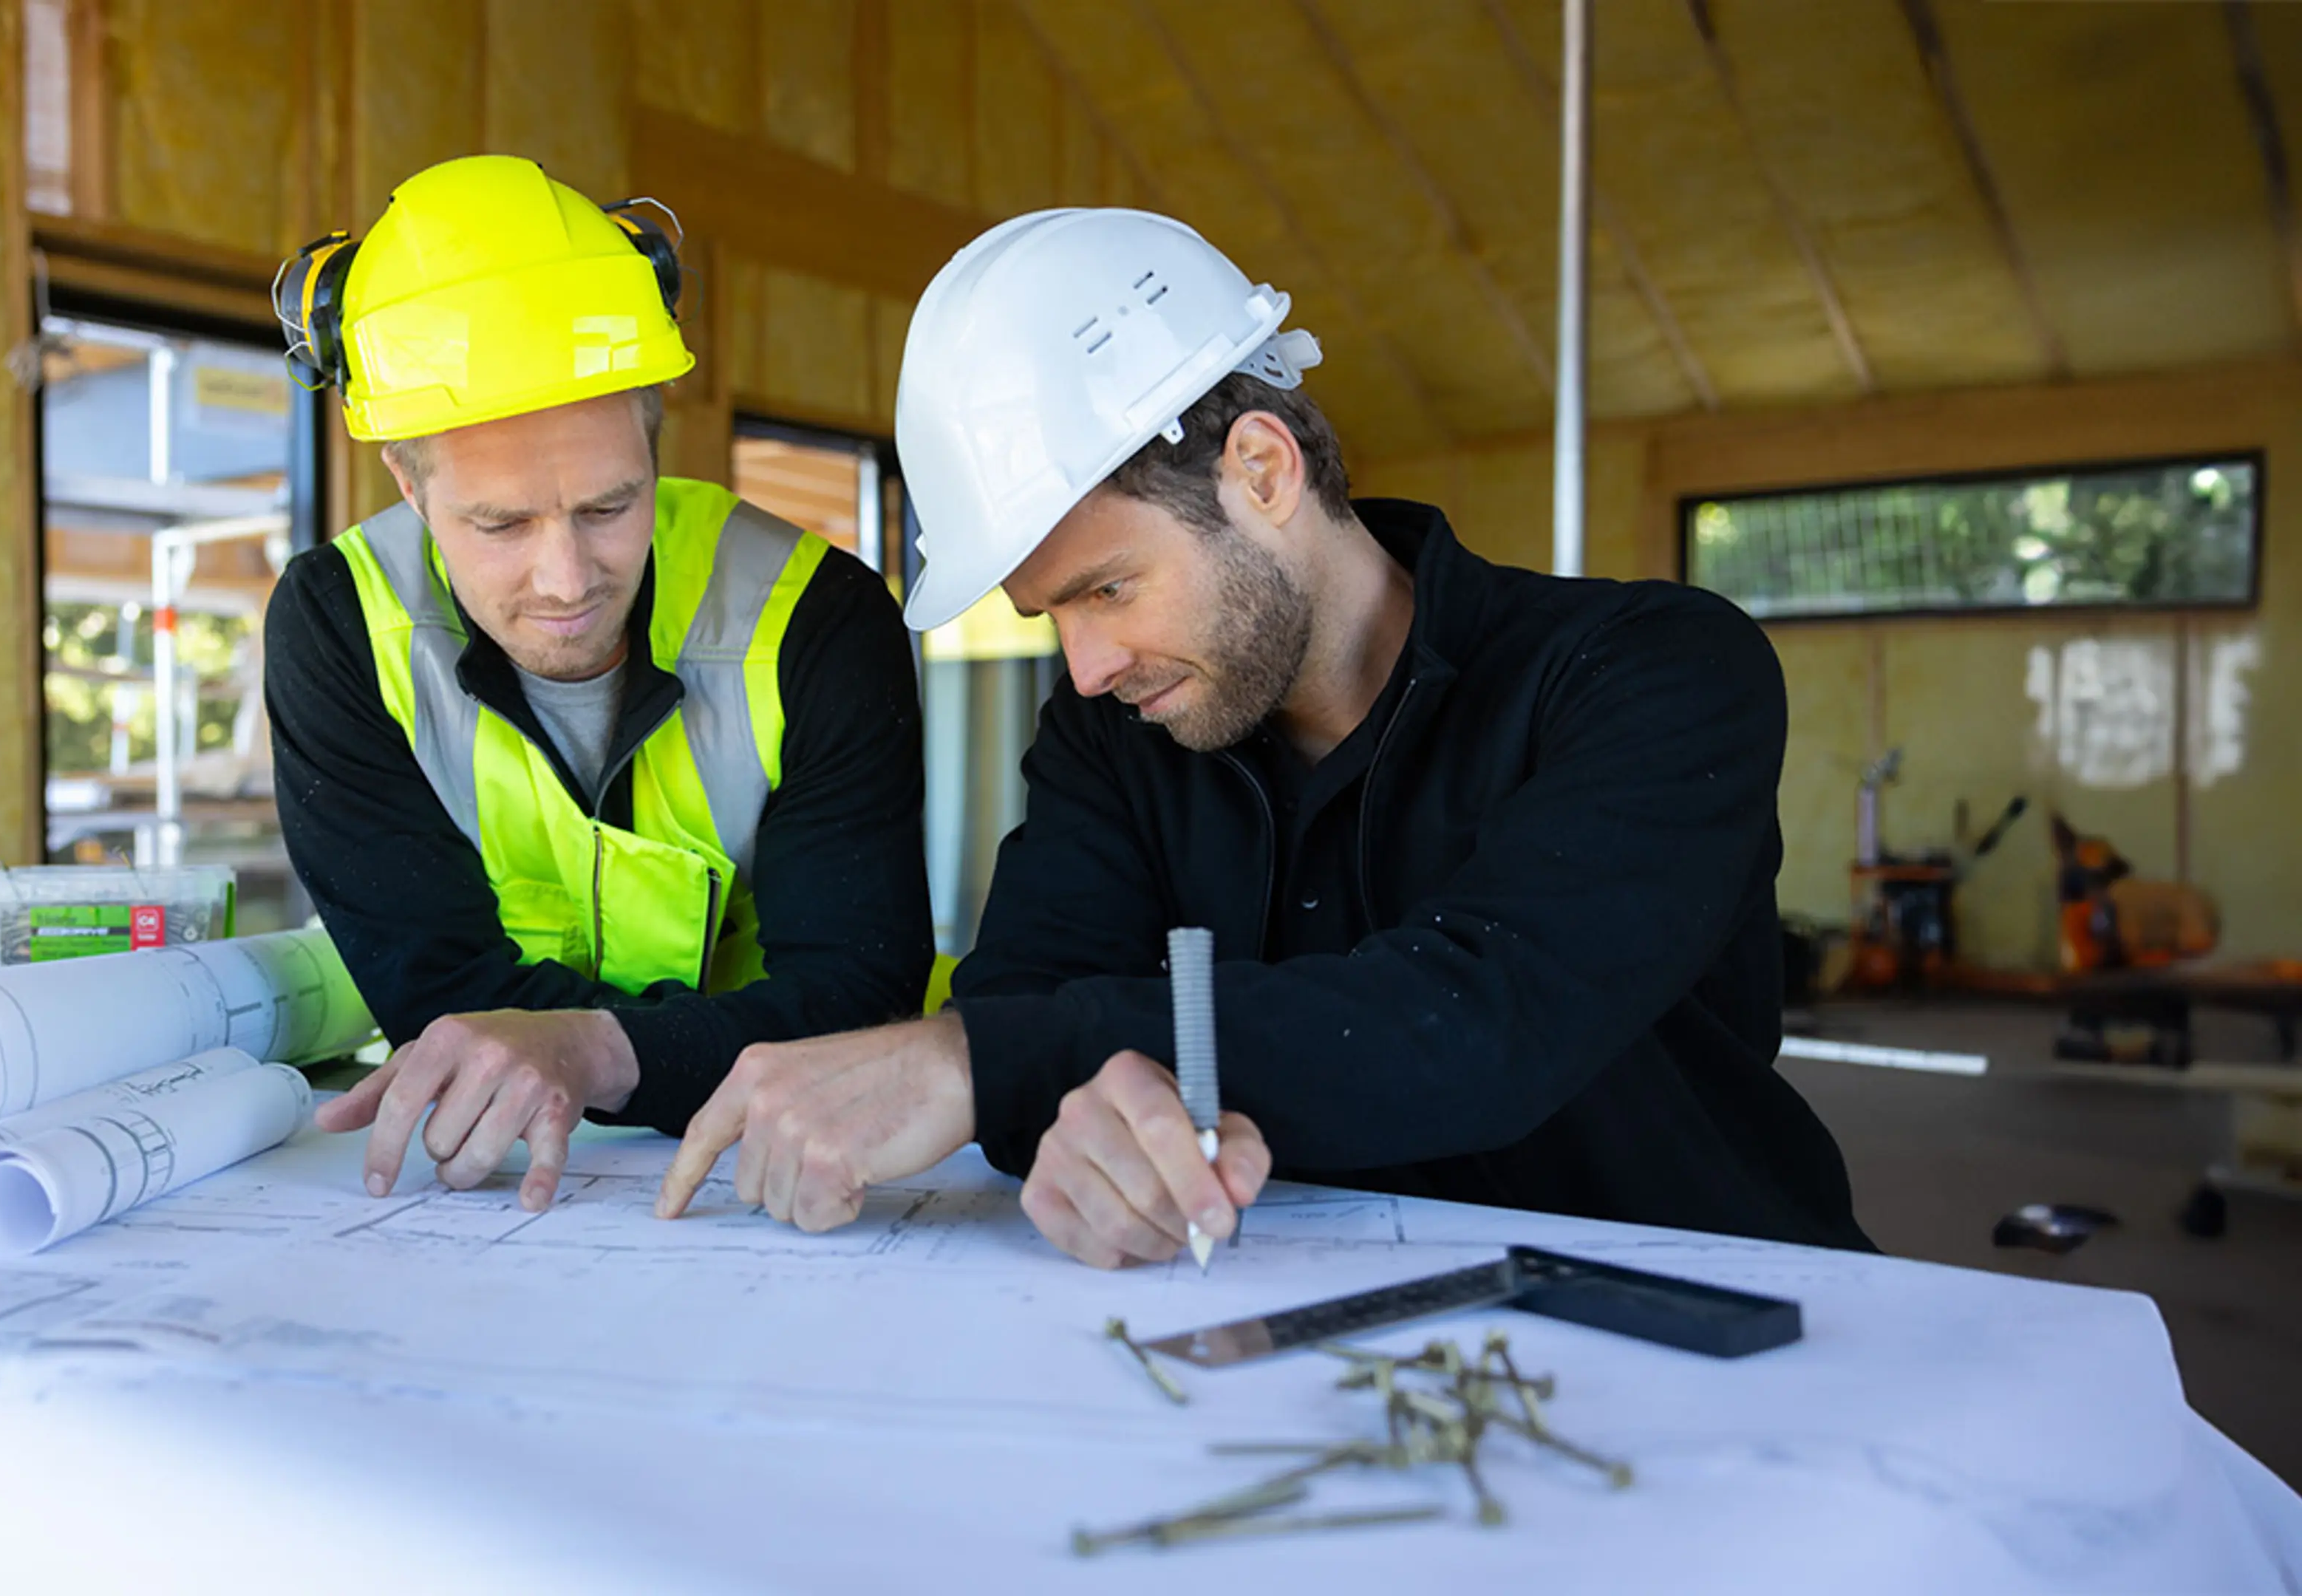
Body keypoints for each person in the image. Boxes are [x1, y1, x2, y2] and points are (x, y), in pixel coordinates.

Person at [655, 206, 1870, 1264]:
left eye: (1108, 589)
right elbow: (1034, 1006)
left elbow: (1485, 1022)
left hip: (1717, 1330)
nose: (1083, 667)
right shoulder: (1116, 732)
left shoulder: (1651, 672)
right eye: (1050, 615)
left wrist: (976, 1066)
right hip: (1300, 1343)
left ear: (1262, 470)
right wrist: (1079, 1137)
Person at [265, 155, 930, 1213]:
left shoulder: (819, 617)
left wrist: (593, 1050)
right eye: (501, 525)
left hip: (781, 1171)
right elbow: (435, 995)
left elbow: (860, 1002)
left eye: (610, 507)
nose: (568, 580)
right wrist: (662, 1048)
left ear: (656, 423)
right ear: (405, 478)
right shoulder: (340, 628)